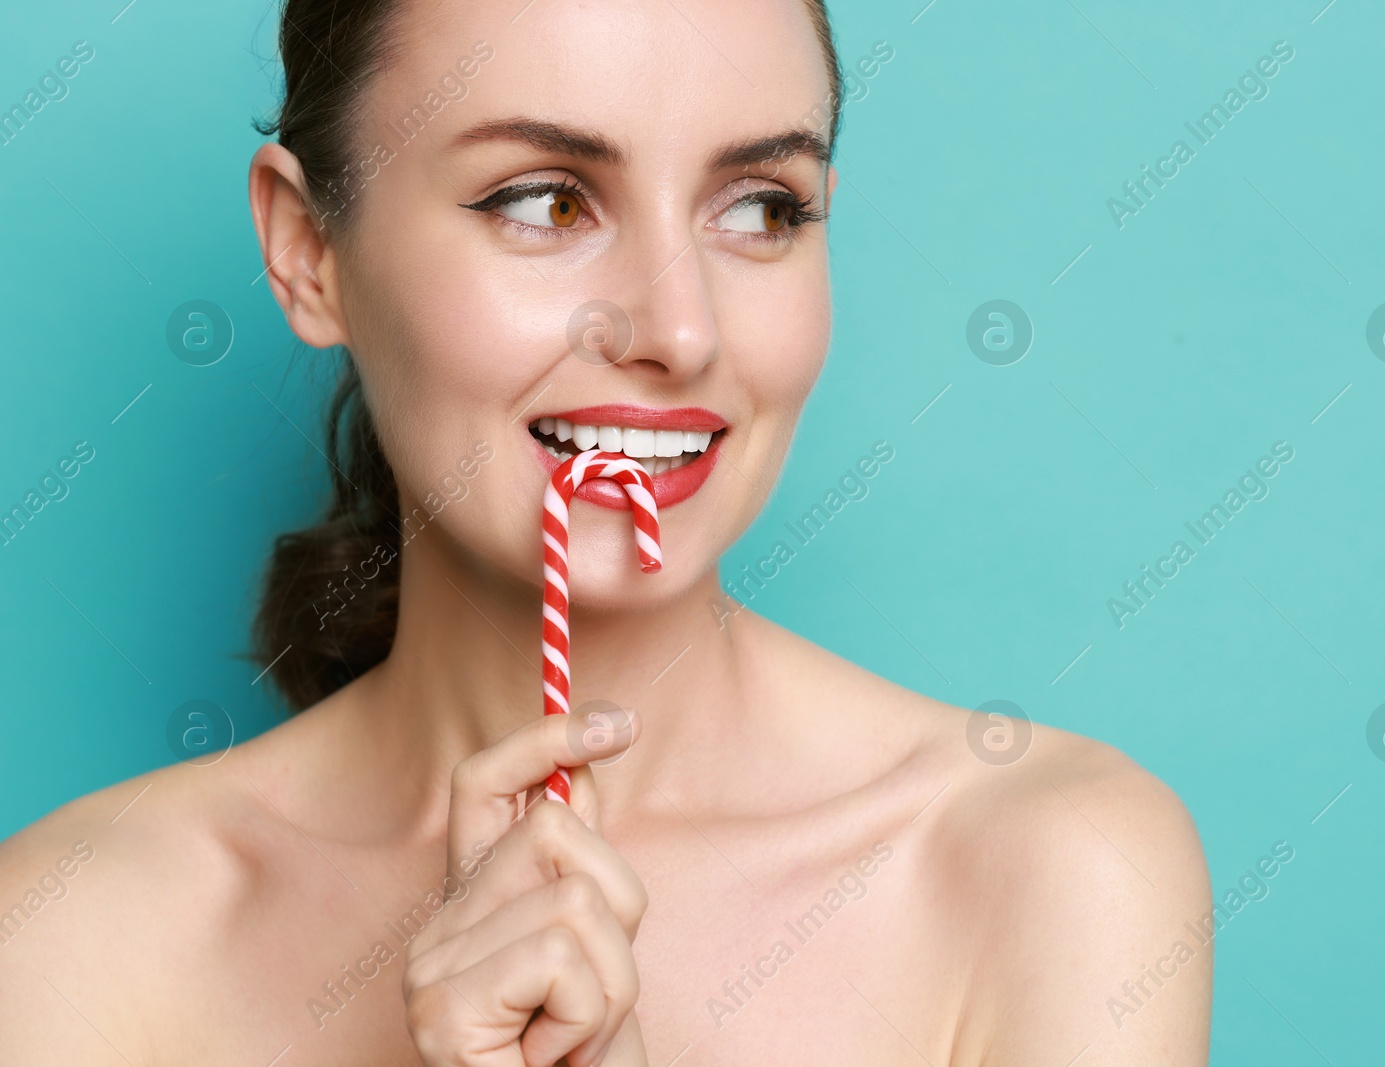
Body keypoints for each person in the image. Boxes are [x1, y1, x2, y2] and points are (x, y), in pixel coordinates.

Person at [0, 0, 1212, 1062]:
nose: (678, 331)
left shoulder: (1044, 866)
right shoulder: (68, 934)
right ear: (309, 249)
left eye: (761, 207)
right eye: (545, 200)